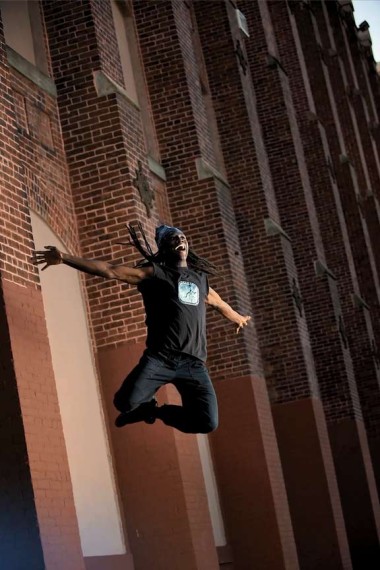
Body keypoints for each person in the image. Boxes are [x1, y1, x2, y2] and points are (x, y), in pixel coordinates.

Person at [31, 223, 251, 434]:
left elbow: (219, 303)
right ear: (165, 247)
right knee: (124, 403)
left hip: (193, 364)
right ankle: (144, 408)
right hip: (161, 358)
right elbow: (111, 270)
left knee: (207, 422)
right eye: (174, 238)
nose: (181, 239)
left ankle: (157, 412)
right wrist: (65, 258)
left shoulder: (199, 280)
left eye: (183, 237)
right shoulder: (155, 274)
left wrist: (238, 318)